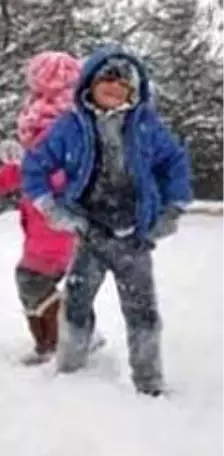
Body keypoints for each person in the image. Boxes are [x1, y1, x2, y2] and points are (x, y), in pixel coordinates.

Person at [22, 46, 192, 397]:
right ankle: (69, 371)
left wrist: (173, 207)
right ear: (89, 83)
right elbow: (35, 165)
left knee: (142, 311)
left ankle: (149, 383)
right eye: (107, 81)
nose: (114, 90)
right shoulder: (71, 126)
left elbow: (174, 162)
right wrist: (50, 207)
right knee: (77, 302)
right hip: (90, 231)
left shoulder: (145, 126)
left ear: (135, 91)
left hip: (134, 237)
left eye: (123, 85)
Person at [0, 52, 81, 365]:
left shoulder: (62, 126)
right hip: (50, 226)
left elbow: (61, 174)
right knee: (37, 282)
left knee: (32, 280)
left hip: (55, 225)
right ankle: (56, 340)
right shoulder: (49, 121)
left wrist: (18, 166)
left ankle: (65, 338)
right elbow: (24, 168)